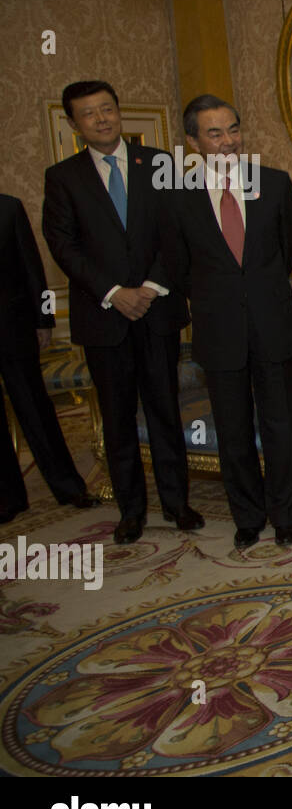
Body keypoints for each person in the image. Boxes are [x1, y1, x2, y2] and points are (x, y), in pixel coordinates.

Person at [42, 81, 202, 545]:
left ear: (119, 112)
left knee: (165, 410)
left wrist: (148, 288)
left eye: (107, 109)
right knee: (116, 418)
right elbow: (63, 246)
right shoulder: (63, 177)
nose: (102, 119)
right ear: (75, 125)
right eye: (89, 114)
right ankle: (131, 510)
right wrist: (115, 292)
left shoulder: (158, 163)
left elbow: (176, 231)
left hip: (157, 310)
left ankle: (177, 503)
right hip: (103, 316)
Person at [161, 95, 292, 551]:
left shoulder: (276, 184)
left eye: (233, 129)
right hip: (218, 330)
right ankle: (248, 516)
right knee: (233, 429)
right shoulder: (177, 199)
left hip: (272, 325)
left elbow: (288, 252)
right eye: (215, 133)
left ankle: (285, 515)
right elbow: (179, 267)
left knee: (282, 426)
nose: (228, 141)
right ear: (193, 141)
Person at [0, 193, 99, 523]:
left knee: (35, 408)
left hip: (13, 329)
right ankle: (9, 497)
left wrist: (44, 321)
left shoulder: (8, 208)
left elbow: (33, 269)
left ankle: (69, 487)